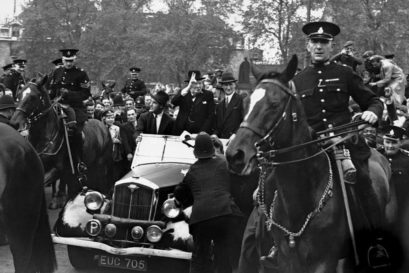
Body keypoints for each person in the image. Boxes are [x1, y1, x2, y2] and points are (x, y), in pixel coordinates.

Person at [293, 21, 384, 231]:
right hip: (312, 148)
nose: (318, 46)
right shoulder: (298, 80)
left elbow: (374, 101)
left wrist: (372, 112)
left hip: (346, 145)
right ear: (308, 45)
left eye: (323, 42)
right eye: (314, 41)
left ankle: (376, 241)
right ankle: (279, 241)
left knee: (363, 182)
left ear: (331, 46)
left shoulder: (344, 73)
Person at [174, 132, 243, 273]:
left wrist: (192, 201)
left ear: (196, 152)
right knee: (223, 258)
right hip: (225, 215)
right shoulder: (224, 162)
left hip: (201, 219)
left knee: (199, 259)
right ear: (212, 148)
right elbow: (237, 184)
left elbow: (179, 192)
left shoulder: (193, 169)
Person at [49, 48, 91, 175]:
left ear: (75, 59)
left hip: (75, 108)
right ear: (62, 59)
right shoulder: (56, 72)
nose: (68, 63)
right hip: (57, 106)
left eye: (71, 61)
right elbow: (51, 89)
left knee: (76, 133)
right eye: (66, 61)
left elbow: (85, 94)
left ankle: (79, 162)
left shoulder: (81, 74)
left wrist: (69, 94)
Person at [378, 126, 409, 233]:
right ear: (383, 141)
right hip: (379, 207)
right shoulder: (375, 156)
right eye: (387, 142)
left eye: (394, 143)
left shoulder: (407, 160)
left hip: (402, 208)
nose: (390, 146)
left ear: (400, 143)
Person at [171, 70, 215, 135]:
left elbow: (210, 116)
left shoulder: (208, 95)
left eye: (200, 83)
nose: (198, 86)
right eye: (195, 83)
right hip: (181, 132)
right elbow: (174, 102)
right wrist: (187, 88)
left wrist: (202, 132)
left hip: (200, 134)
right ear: (190, 83)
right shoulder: (184, 93)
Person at [214, 72, 244, 139]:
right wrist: (215, 134)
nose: (228, 88)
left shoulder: (241, 100)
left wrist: (235, 134)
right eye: (225, 85)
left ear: (235, 85)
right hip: (222, 141)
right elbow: (217, 126)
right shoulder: (219, 105)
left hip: (236, 140)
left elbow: (244, 121)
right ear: (222, 86)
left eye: (230, 84)